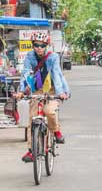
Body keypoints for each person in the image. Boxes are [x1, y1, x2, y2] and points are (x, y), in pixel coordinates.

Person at [14, 33, 70, 163]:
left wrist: (60, 92)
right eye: (36, 45)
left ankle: (56, 131)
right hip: (37, 89)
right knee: (32, 118)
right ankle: (31, 150)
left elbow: (56, 74)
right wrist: (22, 91)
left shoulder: (53, 57)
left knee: (49, 111)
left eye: (42, 45)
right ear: (33, 45)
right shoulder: (29, 56)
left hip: (52, 89)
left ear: (47, 46)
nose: (39, 48)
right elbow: (26, 73)